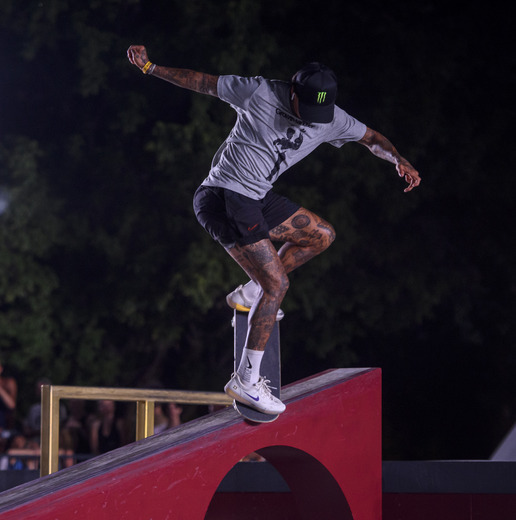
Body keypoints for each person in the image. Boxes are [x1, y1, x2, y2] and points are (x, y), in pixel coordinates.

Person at [127, 45, 421, 415]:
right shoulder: (259, 91)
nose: (312, 121)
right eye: (305, 109)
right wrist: (151, 67)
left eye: (319, 114)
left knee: (322, 235)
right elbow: (202, 82)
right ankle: (246, 381)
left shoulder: (331, 119)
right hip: (224, 196)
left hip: (257, 198)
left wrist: (399, 159)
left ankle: (249, 293)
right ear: (292, 92)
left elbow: (373, 138)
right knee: (278, 285)